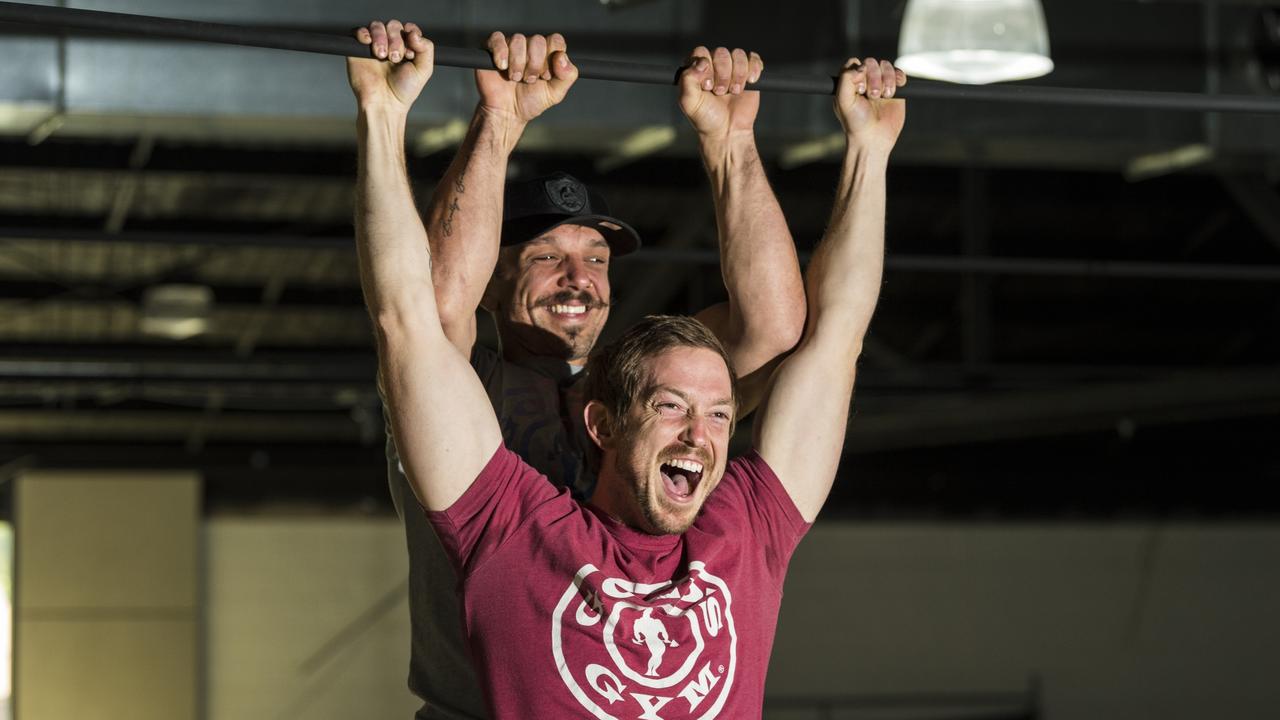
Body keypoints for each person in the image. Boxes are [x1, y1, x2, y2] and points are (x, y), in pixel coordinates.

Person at [350, 18, 906, 720]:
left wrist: (730, 140)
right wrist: (497, 119)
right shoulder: (473, 390)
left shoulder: (644, 389)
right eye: (547, 256)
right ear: (495, 277)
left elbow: (780, 330)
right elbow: (420, 317)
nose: (579, 279)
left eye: (598, 259)